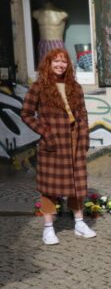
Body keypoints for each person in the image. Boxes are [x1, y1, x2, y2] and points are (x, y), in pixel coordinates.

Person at [20, 48, 96, 245]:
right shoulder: (39, 86)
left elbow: (83, 114)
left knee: (77, 184)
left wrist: (85, 137)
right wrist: (45, 132)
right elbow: (26, 113)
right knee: (49, 188)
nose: (60, 65)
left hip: (74, 139)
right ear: (48, 63)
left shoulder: (75, 86)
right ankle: (48, 229)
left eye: (64, 61)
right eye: (56, 61)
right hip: (52, 141)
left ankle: (79, 223)